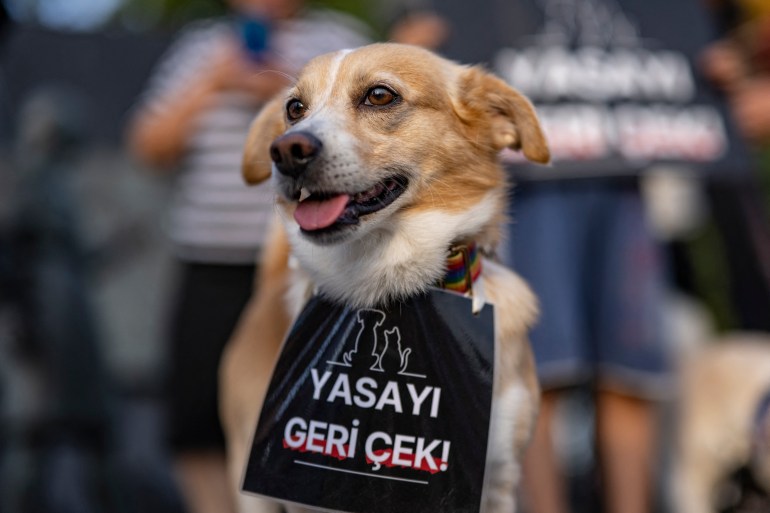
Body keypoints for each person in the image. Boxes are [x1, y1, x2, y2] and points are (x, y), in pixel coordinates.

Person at [125, 2, 370, 512]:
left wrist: (285, 102)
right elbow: (148, 146)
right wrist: (212, 83)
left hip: (320, 267)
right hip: (210, 260)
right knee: (197, 419)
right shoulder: (200, 47)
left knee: (327, 411)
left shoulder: (340, 39)